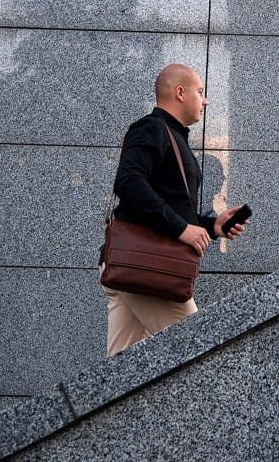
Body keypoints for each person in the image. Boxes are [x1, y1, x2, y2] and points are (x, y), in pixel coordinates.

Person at [100, 62, 248, 357]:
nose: (205, 100)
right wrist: (182, 229)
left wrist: (211, 226)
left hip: (135, 265)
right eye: (200, 92)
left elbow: (166, 205)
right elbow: (128, 183)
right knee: (201, 353)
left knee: (121, 374)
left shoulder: (173, 136)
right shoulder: (152, 128)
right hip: (148, 268)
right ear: (180, 93)